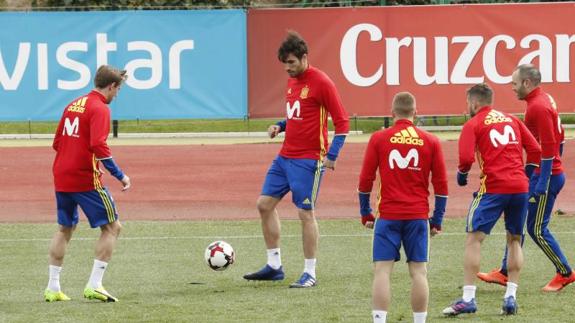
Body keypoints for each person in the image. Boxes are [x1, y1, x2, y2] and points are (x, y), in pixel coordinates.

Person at [243, 31, 349, 288]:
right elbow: (298, 115)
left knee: (305, 213)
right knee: (264, 205)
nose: (287, 68)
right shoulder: (293, 82)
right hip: (285, 157)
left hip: (309, 160)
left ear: (304, 57)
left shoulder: (322, 82)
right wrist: (280, 125)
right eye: (284, 64)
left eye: (291, 62)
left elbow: (343, 122)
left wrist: (332, 155)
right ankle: (274, 265)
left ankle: (309, 272)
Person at [442, 83, 540, 316]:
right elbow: (535, 150)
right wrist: (522, 177)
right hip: (519, 188)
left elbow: (466, 157)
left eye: (468, 103)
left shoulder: (473, 124)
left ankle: (468, 298)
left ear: (475, 103)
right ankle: (510, 296)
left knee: (474, 239)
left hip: (493, 188)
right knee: (515, 240)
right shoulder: (512, 119)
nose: (467, 107)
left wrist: (462, 174)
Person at [476, 64, 575, 292]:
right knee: (517, 222)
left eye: (514, 83)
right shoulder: (544, 99)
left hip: (546, 177)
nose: (512, 88)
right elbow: (558, 138)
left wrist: (543, 179)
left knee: (536, 229)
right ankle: (504, 272)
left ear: (526, 83)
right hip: (543, 174)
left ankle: (565, 272)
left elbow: (549, 145)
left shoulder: (537, 107)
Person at [358, 92, 448, 323]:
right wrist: (436, 219)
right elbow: (441, 186)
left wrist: (365, 212)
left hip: (387, 215)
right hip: (418, 216)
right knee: (419, 272)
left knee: (382, 271)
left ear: (392, 113)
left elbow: (365, 180)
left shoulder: (379, 138)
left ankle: (379, 320)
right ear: (415, 114)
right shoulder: (431, 141)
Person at [44, 65, 131, 302]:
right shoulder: (99, 108)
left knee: (65, 228)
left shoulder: (73, 104)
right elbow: (98, 145)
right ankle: (95, 284)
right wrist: (119, 174)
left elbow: (57, 142)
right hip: (85, 178)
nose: (117, 94)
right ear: (111, 86)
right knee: (113, 228)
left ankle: (53, 288)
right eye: (118, 89)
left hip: (61, 174)